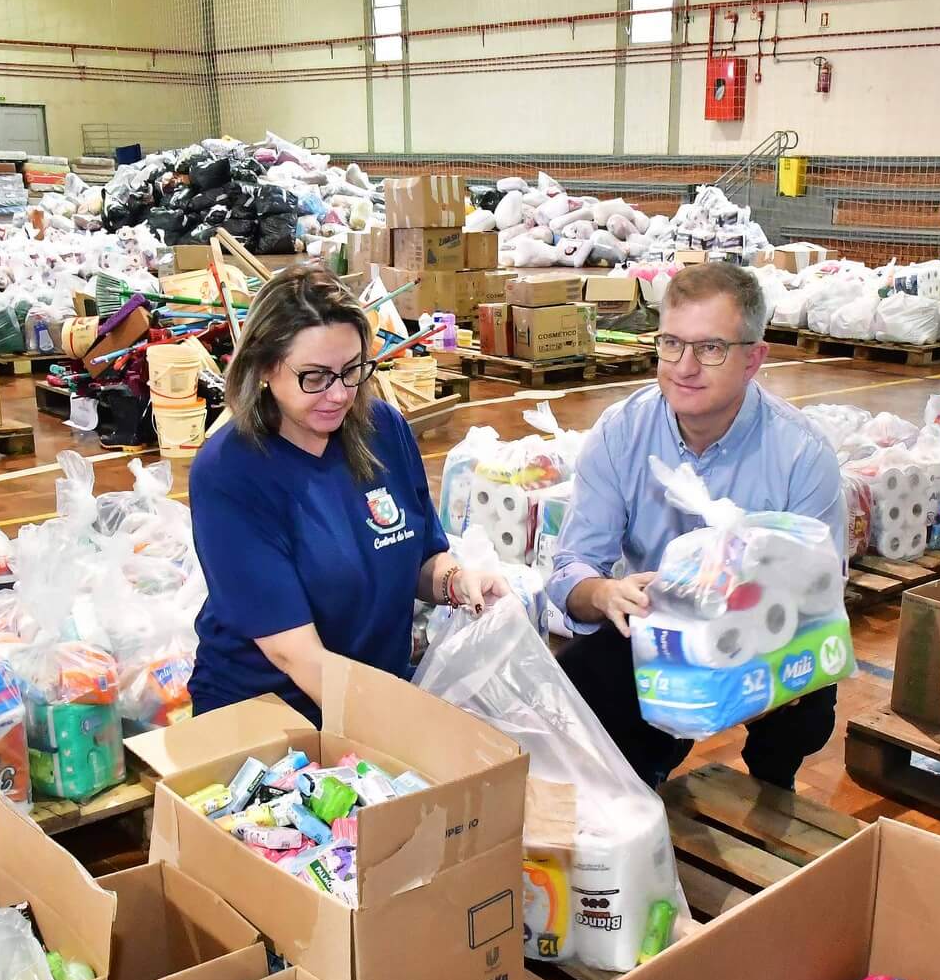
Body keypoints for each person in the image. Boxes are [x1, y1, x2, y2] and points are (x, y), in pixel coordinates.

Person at [546, 262, 844, 791]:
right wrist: (606, 593)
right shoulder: (622, 432)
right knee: (582, 682)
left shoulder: (801, 452)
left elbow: (818, 591)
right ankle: (640, 784)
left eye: (710, 348)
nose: (684, 367)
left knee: (808, 708)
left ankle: (773, 781)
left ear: (754, 358)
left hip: (761, 636)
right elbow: (572, 568)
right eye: (671, 344)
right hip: (654, 630)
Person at [188, 266, 507, 722]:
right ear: (263, 367)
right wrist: (400, 728)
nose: (339, 395)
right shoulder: (229, 472)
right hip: (268, 715)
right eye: (314, 377)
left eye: (352, 370)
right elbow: (296, 656)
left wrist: (456, 582)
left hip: (373, 693)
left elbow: (419, 558)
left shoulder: (382, 430)